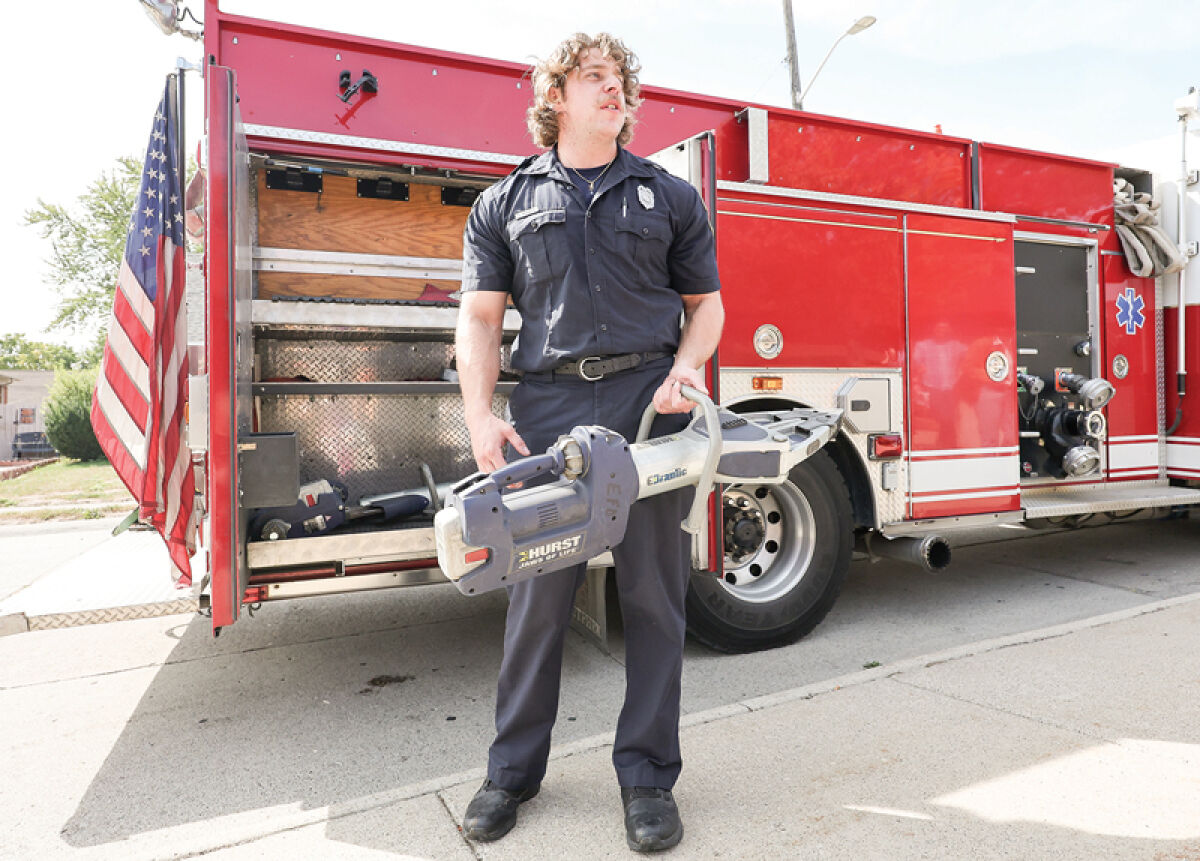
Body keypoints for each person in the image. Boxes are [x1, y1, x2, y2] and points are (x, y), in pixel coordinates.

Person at [455, 32, 724, 853]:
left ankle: (647, 777)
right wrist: (478, 412)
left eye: (621, 79)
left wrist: (685, 367)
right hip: (548, 406)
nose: (614, 90)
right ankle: (511, 773)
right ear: (556, 96)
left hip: (649, 404)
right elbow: (480, 315)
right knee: (537, 596)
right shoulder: (504, 201)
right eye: (594, 78)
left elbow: (707, 306)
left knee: (652, 592)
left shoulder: (669, 196)